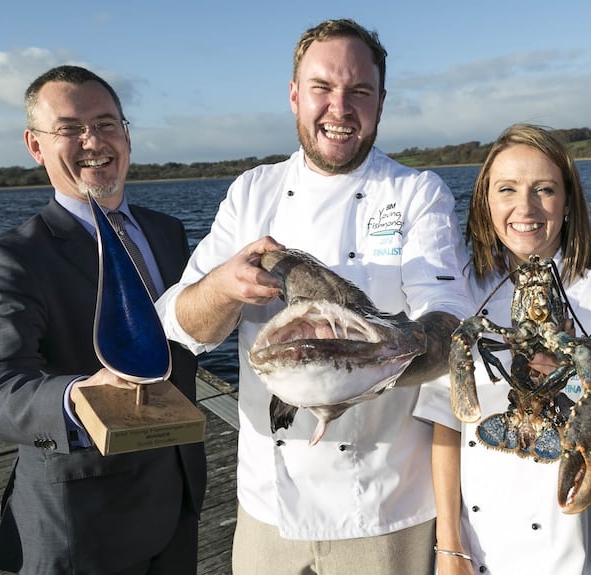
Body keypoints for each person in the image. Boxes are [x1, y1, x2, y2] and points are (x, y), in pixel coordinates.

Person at [154, 18, 472, 575]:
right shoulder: (252, 191)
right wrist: (226, 288)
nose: (339, 108)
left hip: (384, 507)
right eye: (322, 88)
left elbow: (450, 326)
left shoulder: (418, 193)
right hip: (267, 507)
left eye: (359, 92)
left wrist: (365, 355)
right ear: (295, 95)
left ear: (381, 102)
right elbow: (181, 328)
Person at [0, 65, 206, 574]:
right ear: (35, 146)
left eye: (105, 124)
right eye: (69, 128)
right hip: (82, 522)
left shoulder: (167, 232)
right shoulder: (11, 258)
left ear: (127, 135)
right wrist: (81, 396)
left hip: (179, 497)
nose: (92, 140)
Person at [413, 124, 591, 574]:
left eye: (544, 189)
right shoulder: (462, 293)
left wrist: (568, 381)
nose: (524, 208)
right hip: (477, 545)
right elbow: (445, 424)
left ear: (567, 203)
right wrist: (449, 545)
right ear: (486, 202)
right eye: (507, 189)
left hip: (575, 544)